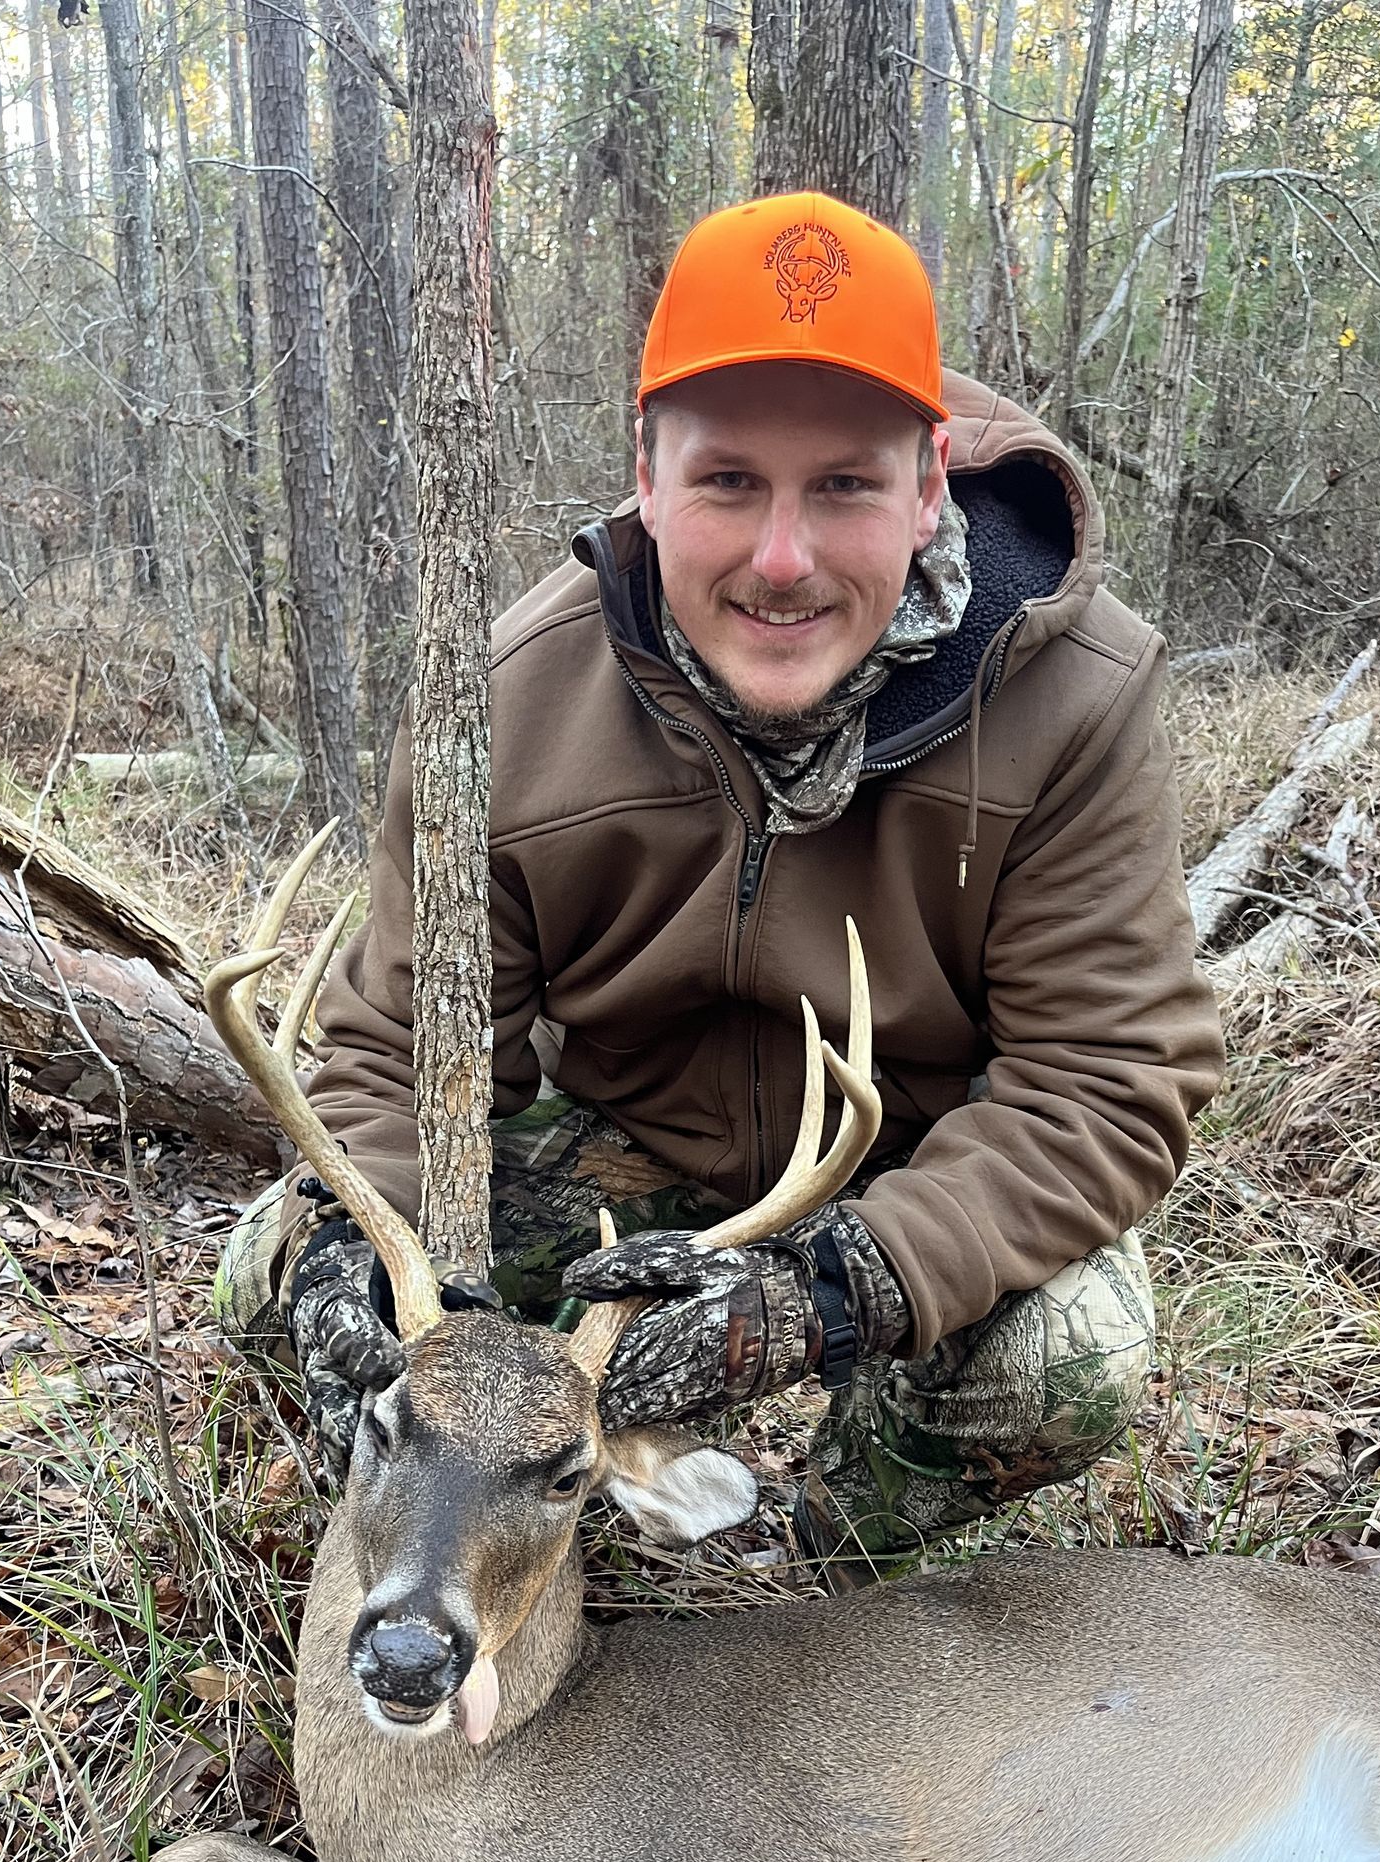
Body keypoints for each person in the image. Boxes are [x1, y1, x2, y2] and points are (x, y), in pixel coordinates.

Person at [219, 190, 1224, 1577]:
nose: (782, 558)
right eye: (729, 481)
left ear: (932, 482)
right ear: (646, 472)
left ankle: (808, 1576)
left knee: (1070, 1356)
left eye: (847, 487)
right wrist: (353, 1245)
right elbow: (399, 1054)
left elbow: (1107, 1078)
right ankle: (489, 1539)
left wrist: (836, 1284)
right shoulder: (507, 694)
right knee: (270, 1275)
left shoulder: (1075, 695)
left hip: (897, 1182)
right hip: (621, 1171)